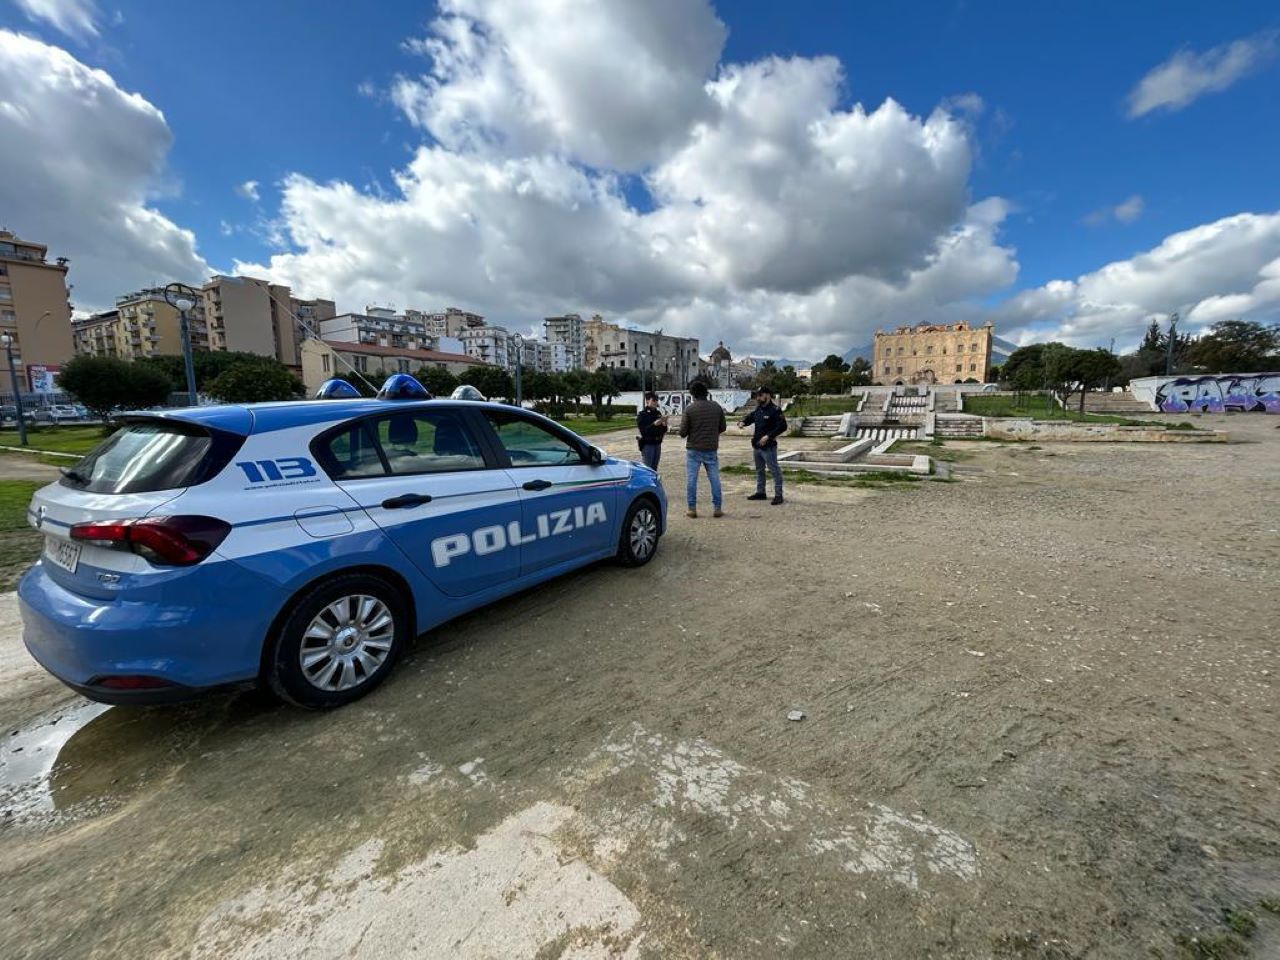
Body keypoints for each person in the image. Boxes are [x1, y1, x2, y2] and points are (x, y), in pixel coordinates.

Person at [678, 380, 726, 518]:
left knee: (692, 479)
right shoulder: (716, 407)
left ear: (693, 394)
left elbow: (682, 433)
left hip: (693, 449)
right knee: (715, 479)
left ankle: (692, 509)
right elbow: (723, 427)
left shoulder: (689, 409)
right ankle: (717, 508)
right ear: (706, 393)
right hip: (711, 448)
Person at [740, 386, 787, 505]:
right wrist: (743, 422)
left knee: (774, 470)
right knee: (759, 470)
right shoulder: (759, 409)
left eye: (760, 395)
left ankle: (778, 495)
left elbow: (782, 426)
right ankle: (761, 492)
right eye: (757, 395)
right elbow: (750, 417)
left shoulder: (775, 410)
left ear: (767, 395)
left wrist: (768, 436)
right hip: (757, 446)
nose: (758, 397)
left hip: (769, 447)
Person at [635, 392, 668, 471]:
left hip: (657, 444)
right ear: (647, 401)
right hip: (648, 444)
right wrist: (654, 424)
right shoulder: (642, 415)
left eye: (656, 400)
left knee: (654, 468)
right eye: (653, 400)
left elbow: (663, 430)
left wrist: (664, 424)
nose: (655, 402)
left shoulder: (658, 413)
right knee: (647, 469)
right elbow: (643, 431)